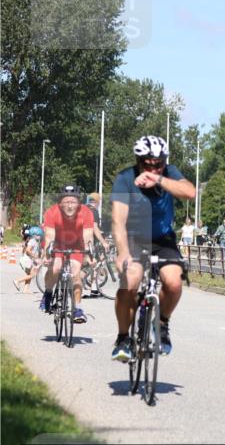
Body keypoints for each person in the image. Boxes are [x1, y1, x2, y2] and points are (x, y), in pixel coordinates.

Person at [110, 135, 196, 361]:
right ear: (138, 161)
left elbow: (190, 192)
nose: (153, 168)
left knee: (174, 281)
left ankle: (162, 324)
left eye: (158, 164)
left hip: (163, 238)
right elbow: (118, 221)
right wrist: (122, 252)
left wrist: (158, 180)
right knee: (130, 280)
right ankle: (123, 338)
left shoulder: (169, 173)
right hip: (134, 238)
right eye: (147, 165)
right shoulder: (125, 179)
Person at [40, 185, 94, 322]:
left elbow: (88, 236)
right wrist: (46, 254)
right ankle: (48, 292)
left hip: (77, 245)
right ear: (60, 203)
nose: (70, 205)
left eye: (73, 202)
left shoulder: (86, 212)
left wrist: (89, 254)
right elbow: (49, 236)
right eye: (66, 202)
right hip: (58, 243)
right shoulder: (52, 212)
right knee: (56, 267)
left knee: (76, 274)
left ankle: (77, 309)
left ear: (79, 203)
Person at [14, 228, 42, 293]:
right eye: (38, 235)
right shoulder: (33, 241)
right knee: (33, 275)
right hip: (27, 260)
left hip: (30, 260)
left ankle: (26, 289)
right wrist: (35, 257)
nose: (40, 236)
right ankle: (17, 281)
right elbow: (28, 250)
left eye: (40, 235)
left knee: (29, 274)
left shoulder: (36, 241)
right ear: (34, 235)